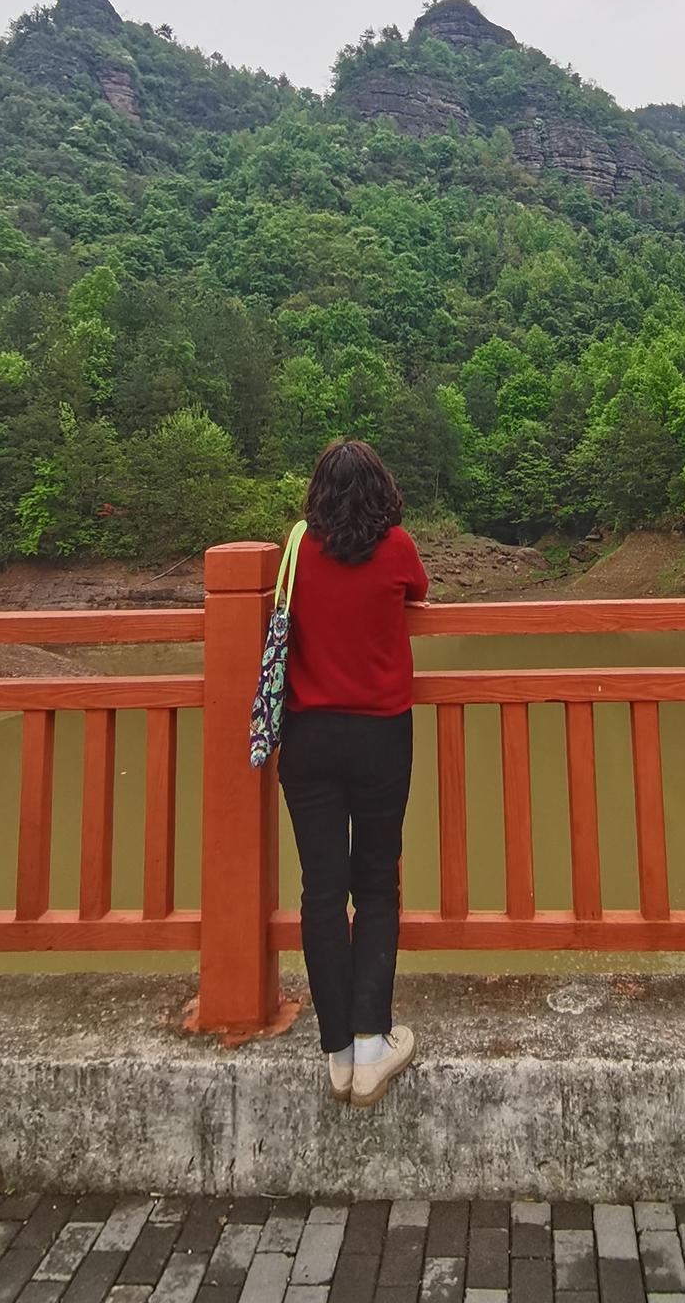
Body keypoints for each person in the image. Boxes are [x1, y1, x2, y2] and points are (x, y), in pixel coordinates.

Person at [278, 437, 428, 1107]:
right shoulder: (396, 548)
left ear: (318, 494)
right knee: (374, 885)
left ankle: (337, 1051)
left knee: (320, 891)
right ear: (382, 490)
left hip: (308, 740)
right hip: (379, 737)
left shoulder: (297, 549)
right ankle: (373, 1046)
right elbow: (417, 594)